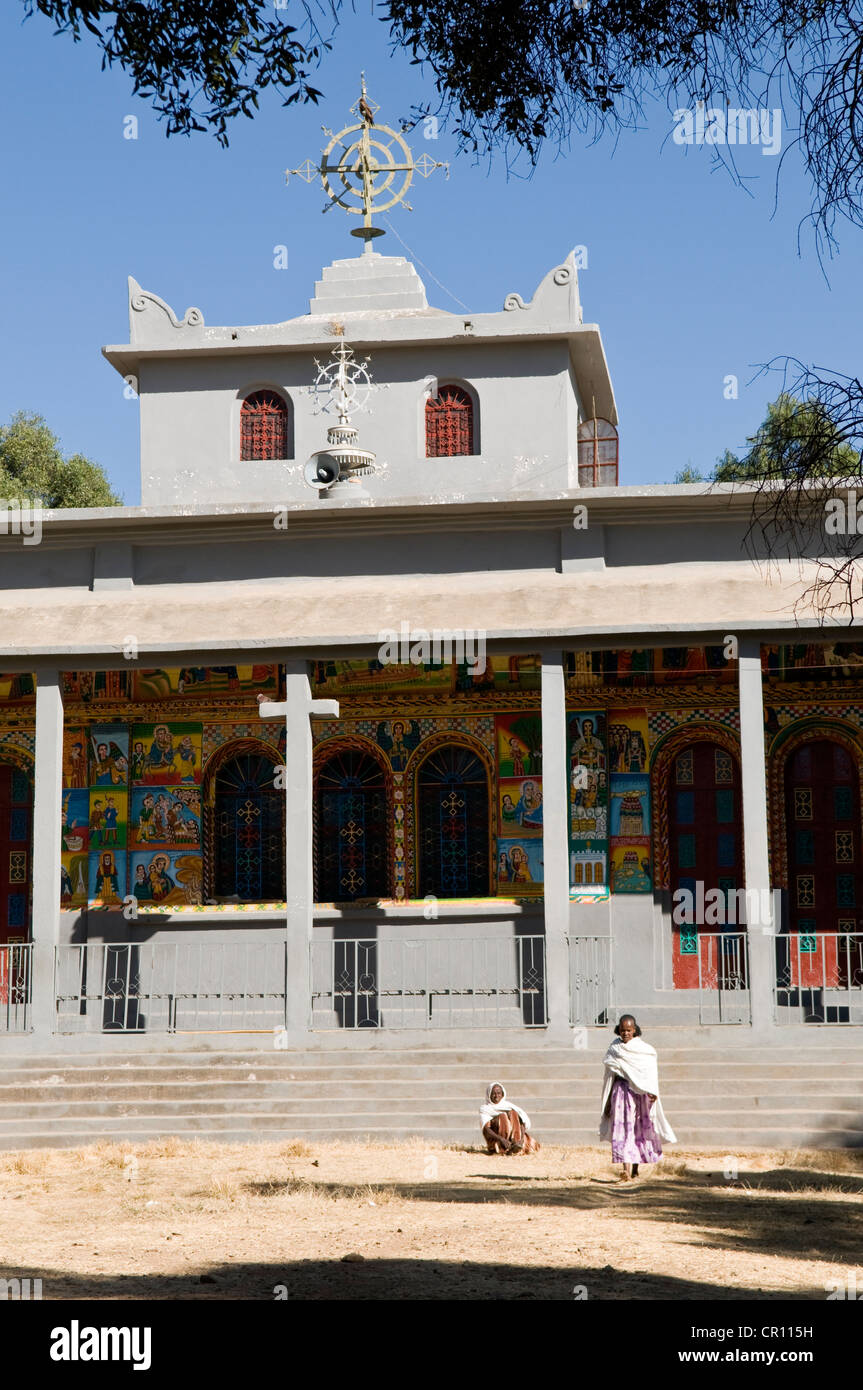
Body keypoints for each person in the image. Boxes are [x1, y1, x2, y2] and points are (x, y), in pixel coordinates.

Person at [600, 1014, 676, 1180]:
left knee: (637, 1129)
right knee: (622, 1129)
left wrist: (652, 1091)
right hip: (620, 1093)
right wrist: (608, 1103)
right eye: (622, 1030)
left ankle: (635, 1169)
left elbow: (649, 1073)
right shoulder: (614, 1049)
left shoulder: (645, 1050)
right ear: (618, 1030)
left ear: (634, 1030)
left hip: (639, 1095)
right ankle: (625, 1170)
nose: (625, 1033)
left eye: (628, 1030)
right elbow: (611, 1075)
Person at [480, 1082, 540, 1155]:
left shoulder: (508, 1106)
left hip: (514, 1139)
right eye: (493, 1094)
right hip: (498, 1140)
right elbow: (486, 1129)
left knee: (513, 1113)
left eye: (499, 1093)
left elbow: (522, 1122)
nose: (496, 1096)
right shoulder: (485, 1109)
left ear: (502, 1094)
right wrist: (501, 1139)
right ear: (489, 1095)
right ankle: (504, 1148)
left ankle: (516, 1144)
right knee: (502, 1116)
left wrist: (520, 1140)